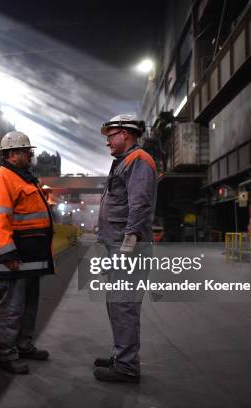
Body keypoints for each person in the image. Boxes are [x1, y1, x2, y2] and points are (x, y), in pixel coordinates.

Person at [0, 131, 54, 375]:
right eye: (26, 151)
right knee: (12, 307)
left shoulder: (23, 179)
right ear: (12, 154)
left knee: (29, 304)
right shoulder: (1, 179)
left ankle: (23, 345)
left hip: (31, 258)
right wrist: (8, 254)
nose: (30, 155)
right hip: (15, 258)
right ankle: (5, 353)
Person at [94, 113, 157, 383]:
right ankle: (122, 355)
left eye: (111, 135)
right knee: (116, 304)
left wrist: (127, 248)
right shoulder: (124, 163)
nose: (108, 140)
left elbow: (140, 206)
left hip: (127, 251)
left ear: (125, 134)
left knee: (124, 305)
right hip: (117, 249)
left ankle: (127, 366)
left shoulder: (138, 161)